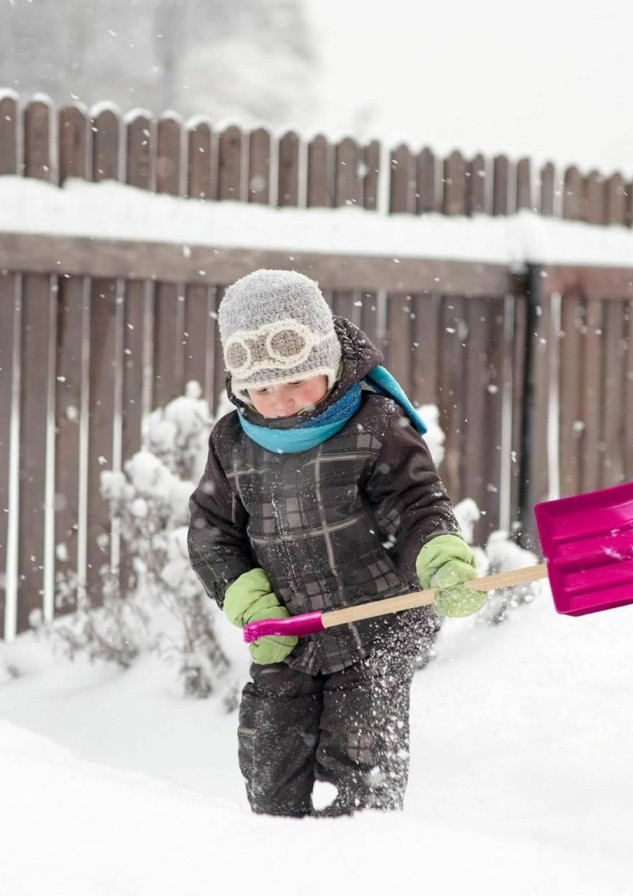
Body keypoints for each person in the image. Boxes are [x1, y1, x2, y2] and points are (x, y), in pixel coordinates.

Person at [188, 269, 485, 817]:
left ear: (329, 363)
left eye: (297, 381)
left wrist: (439, 559)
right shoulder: (231, 442)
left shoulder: (375, 425)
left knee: (360, 757)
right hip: (289, 634)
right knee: (271, 760)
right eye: (260, 388)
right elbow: (213, 533)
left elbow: (416, 506)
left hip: (375, 627)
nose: (279, 401)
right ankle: (275, 858)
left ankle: (356, 856)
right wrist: (249, 599)